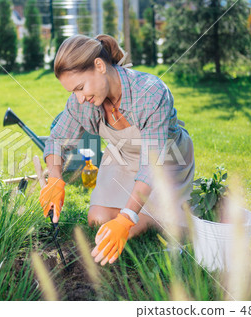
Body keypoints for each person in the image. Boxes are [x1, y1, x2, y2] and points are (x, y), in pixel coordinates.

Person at [39, 34, 195, 266]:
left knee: (138, 227)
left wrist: (126, 218)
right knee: (98, 221)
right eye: (73, 92)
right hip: (121, 156)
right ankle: (148, 214)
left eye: (80, 87)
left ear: (99, 66)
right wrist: (54, 177)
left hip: (165, 161)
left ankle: (166, 213)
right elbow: (56, 140)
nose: (79, 99)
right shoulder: (81, 103)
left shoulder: (151, 93)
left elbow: (151, 164)